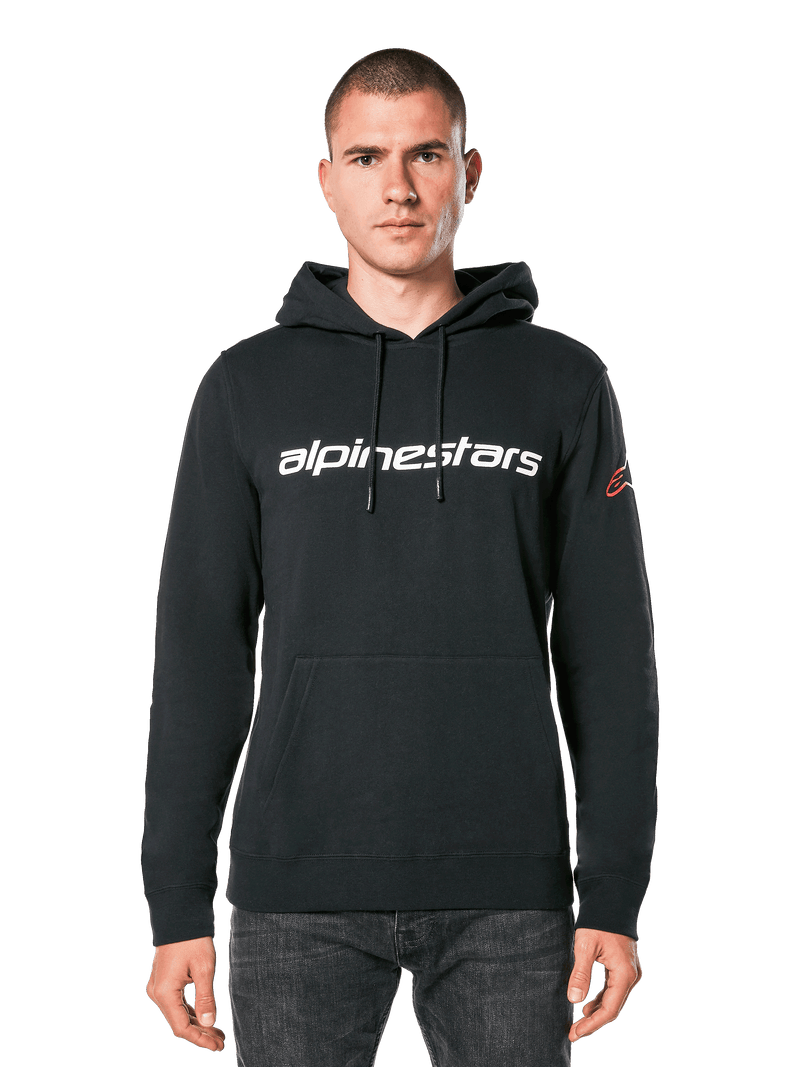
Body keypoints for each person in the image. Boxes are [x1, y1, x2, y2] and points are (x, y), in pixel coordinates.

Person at [141, 46, 659, 1065]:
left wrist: (613, 892)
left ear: (469, 171)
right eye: (366, 156)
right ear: (327, 180)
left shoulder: (561, 383)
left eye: (427, 153)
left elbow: (609, 652)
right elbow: (199, 650)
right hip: (297, 889)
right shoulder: (246, 387)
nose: (398, 186)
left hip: (508, 892)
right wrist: (176, 902)